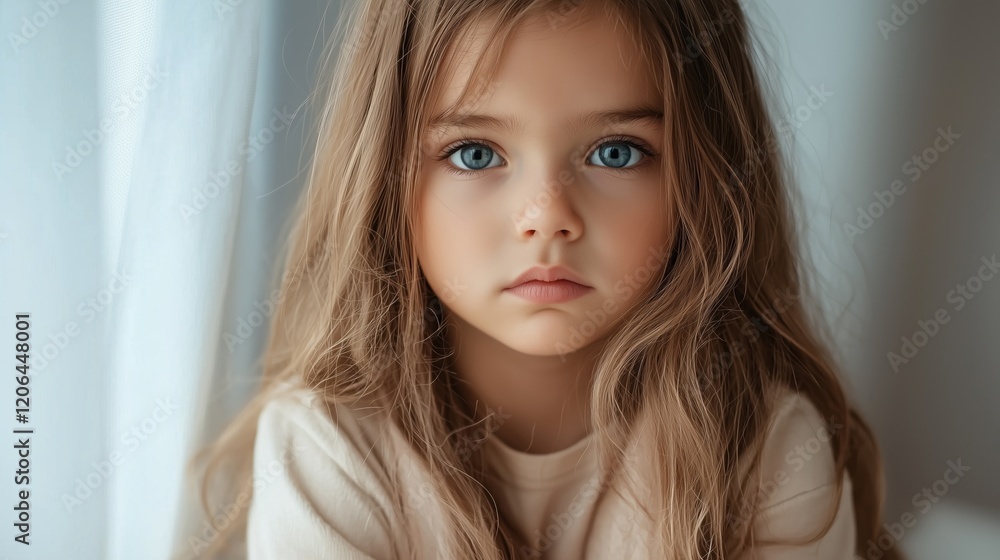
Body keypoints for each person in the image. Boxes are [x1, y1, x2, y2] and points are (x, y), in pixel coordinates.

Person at [189, 0, 903, 558]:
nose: (548, 218)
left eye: (617, 152)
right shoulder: (329, 451)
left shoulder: (765, 450)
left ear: (707, 180)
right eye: (474, 154)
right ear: (382, 181)